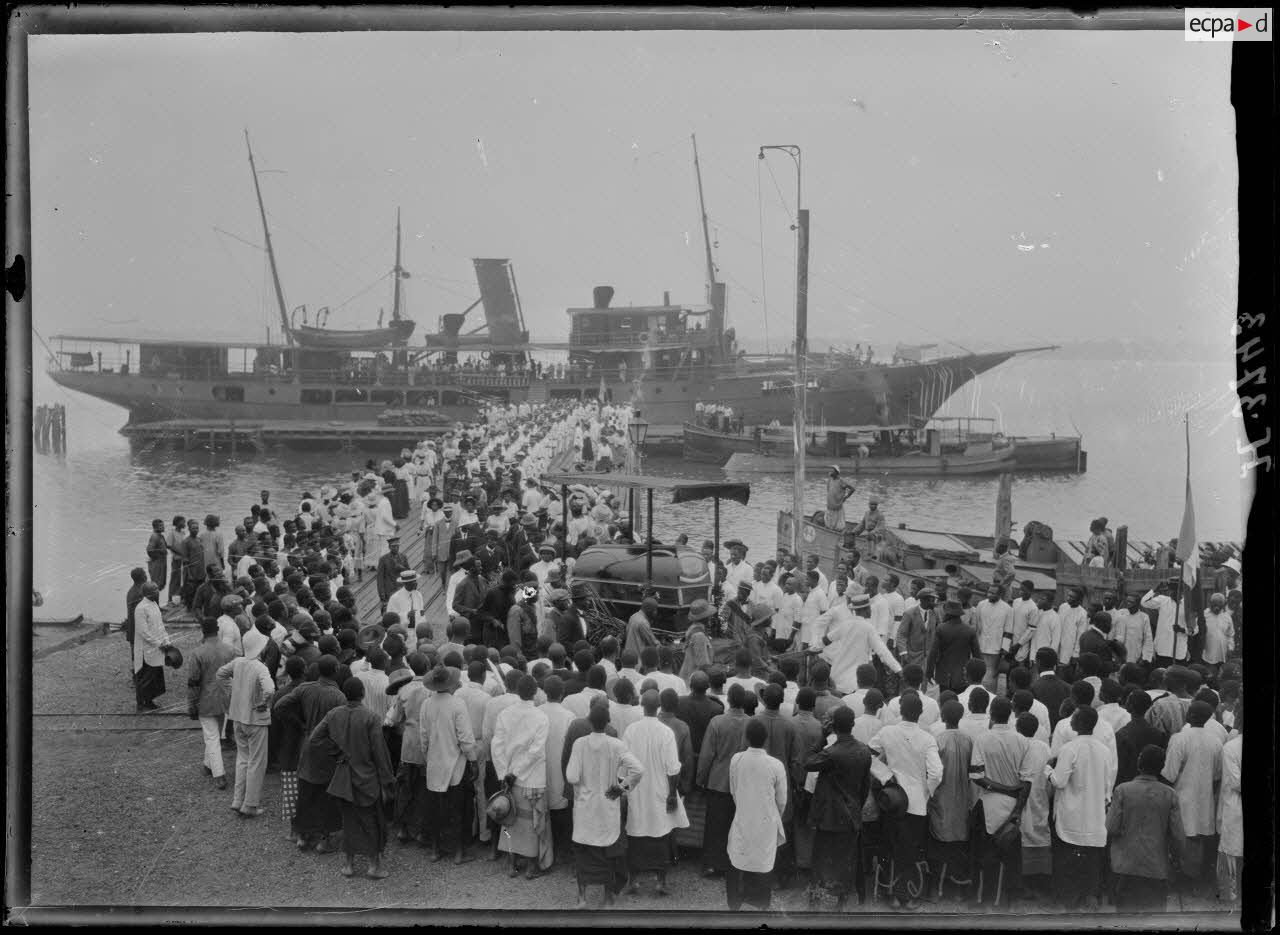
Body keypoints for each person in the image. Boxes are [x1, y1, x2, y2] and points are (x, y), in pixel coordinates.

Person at [310, 678, 396, 879]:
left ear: (345, 694)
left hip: (342, 777)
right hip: (367, 778)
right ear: (362, 694)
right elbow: (380, 753)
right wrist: (388, 781)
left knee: (348, 821)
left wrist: (338, 753)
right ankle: (373, 866)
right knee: (371, 821)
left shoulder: (333, 714)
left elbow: (315, 738)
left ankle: (348, 865)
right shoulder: (371, 718)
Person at [565, 702, 644, 908]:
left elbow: (572, 776)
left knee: (583, 853)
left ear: (590, 721)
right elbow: (638, 770)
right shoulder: (616, 745)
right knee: (608, 854)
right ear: (608, 722)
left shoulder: (580, 744)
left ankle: (581, 898)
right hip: (608, 806)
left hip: (585, 807)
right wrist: (622, 787)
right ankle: (607, 899)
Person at [869, 693, 943, 910]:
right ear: (920, 713)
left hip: (892, 799)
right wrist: (927, 791)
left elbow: (868, 754)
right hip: (916, 804)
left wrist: (885, 776)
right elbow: (937, 772)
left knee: (889, 846)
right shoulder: (927, 738)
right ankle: (905, 897)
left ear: (901, 710)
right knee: (909, 851)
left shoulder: (887, 731)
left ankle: (889, 894)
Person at [1046, 705, 1115, 909]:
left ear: (1082, 723)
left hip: (1071, 814)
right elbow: (1107, 782)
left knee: (1068, 857)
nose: (1071, 720)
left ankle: (1070, 898)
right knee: (1092, 856)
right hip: (1095, 812)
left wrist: (1048, 769)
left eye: (1074, 717)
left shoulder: (1069, 748)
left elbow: (1059, 781)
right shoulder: (1104, 749)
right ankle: (1091, 895)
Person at [623, 689, 688, 894]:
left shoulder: (631, 731)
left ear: (642, 705)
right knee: (661, 834)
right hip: (661, 789)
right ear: (658, 706)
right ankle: (660, 882)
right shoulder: (666, 732)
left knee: (635, 831)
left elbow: (623, 765)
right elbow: (673, 768)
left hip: (637, 790)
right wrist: (671, 795)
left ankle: (633, 880)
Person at [968, 697, 1032, 905]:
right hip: (1013, 807)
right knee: (1011, 859)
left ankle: (984, 901)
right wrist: (1017, 812)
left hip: (988, 806)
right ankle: (1008, 902)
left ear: (991, 714)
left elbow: (977, 777)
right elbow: (1026, 782)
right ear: (1011, 714)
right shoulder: (1023, 741)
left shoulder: (983, 739)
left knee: (986, 857)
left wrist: (1002, 788)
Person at [1106, 744, 1184, 910]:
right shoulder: (1170, 794)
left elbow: (1111, 827)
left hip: (1125, 866)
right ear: (1162, 767)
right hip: (1156, 867)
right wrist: (1175, 860)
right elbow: (1178, 836)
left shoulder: (1122, 790)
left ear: (1139, 763)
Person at [492, 675, 553, 878]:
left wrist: (505, 773)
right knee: (534, 821)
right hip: (532, 776)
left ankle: (512, 864)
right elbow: (535, 751)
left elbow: (497, 745)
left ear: (517, 691)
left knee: (511, 818)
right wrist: (515, 773)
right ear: (535, 692)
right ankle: (531, 866)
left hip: (509, 777)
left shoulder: (505, 714)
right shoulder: (541, 717)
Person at [725, 717, 789, 911]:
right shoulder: (775, 765)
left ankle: (735, 902)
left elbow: (733, 790)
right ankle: (760, 904)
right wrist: (773, 815)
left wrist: (745, 806)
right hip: (766, 819)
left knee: (739, 856)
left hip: (743, 815)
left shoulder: (737, 760)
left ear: (746, 737)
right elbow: (782, 800)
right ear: (766, 739)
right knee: (763, 860)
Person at [1161, 700, 1224, 893]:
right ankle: (1193, 882)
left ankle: (1178, 881)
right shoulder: (1215, 741)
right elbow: (1216, 776)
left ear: (1189, 715)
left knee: (1178, 839)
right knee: (1197, 841)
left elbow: (1169, 774)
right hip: (1204, 800)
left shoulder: (1179, 738)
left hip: (1180, 797)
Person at [696, 683, 751, 878]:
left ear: (728, 700)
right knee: (736, 826)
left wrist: (700, 778)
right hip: (742, 783)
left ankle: (712, 864)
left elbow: (706, 755)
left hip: (718, 780)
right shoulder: (751, 723)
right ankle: (734, 865)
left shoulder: (717, 722)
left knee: (715, 826)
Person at [216, 647, 276, 818]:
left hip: (238, 718)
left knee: (242, 759)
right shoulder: (260, 667)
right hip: (256, 720)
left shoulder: (238, 662)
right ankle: (250, 804)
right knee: (256, 762)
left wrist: (233, 689)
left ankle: (237, 800)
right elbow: (270, 689)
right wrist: (265, 702)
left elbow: (220, 674)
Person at [186, 616, 238, 790]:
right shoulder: (230, 650)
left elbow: (193, 682)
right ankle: (208, 765)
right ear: (217, 630)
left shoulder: (198, 653)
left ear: (203, 631)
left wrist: (192, 704)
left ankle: (219, 774)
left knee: (211, 737)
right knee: (216, 733)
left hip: (206, 699)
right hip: (225, 698)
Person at [925, 600, 980, 695]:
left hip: (944, 674)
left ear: (947, 613)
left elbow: (933, 653)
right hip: (963, 675)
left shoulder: (941, 629)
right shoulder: (969, 630)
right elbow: (977, 655)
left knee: (945, 701)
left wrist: (929, 673)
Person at [132, 583, 172, 711]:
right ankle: (140, 704)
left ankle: (149, 701)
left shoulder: (154, 605)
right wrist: (158, 643)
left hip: (157, 647)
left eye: (157, 589)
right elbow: (143, 632)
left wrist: (166, 640)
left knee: (155, 676)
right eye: (154, 590)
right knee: (145, 677)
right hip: (146, 649)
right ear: (147, 593)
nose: (157, 592)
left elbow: (160, 626)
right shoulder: (141, 608)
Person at [1216, 714, 1243, 905]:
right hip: (1235, 803)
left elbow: (1235, 781)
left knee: (1232, 848)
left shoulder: (1231, 747)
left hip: (1235, 803)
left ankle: (1231, 894)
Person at [824, 467, 857, 531]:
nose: (830, 472)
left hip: (837, 506)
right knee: (828, 524)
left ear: (836, 473)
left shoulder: (841, 481)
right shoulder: (830, 480)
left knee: (838, 527)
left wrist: (846, 497)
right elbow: (829, 491)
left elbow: (852, 488)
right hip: (830, 506)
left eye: (832, 471)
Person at [146, 518, 168, 592]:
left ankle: (156, 602)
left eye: (163, 525)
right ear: (156, 527)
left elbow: (165, 546)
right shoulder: (155, 536)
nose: (163, 527)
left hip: (162, 563)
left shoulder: (161, 536)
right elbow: (149, 550)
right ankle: (154, 602)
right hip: (157, 564)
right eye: (161, 526)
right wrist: (158, 557)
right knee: (156, 585)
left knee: (160, 585)